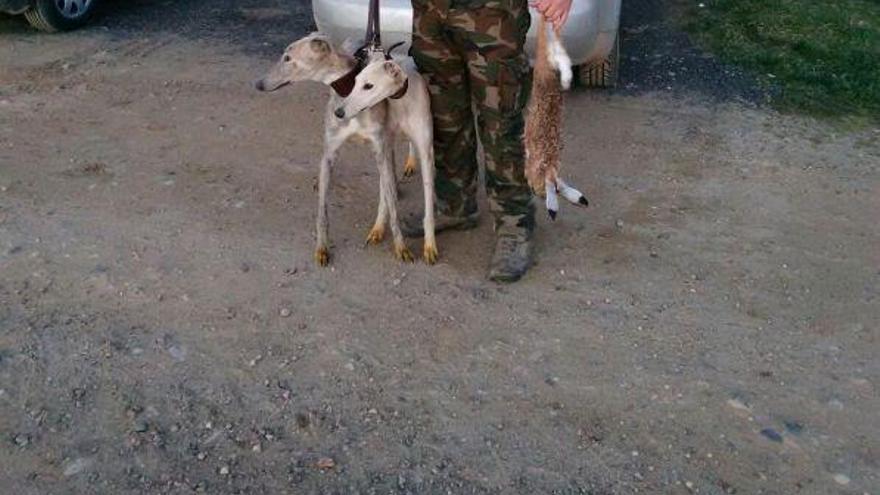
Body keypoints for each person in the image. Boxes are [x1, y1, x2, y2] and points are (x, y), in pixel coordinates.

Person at [407, 0, 573, 282]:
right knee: (444, 117)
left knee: (501, 122)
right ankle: (454, 205)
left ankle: (514, 224)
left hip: (493, 14)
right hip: (431, 15)